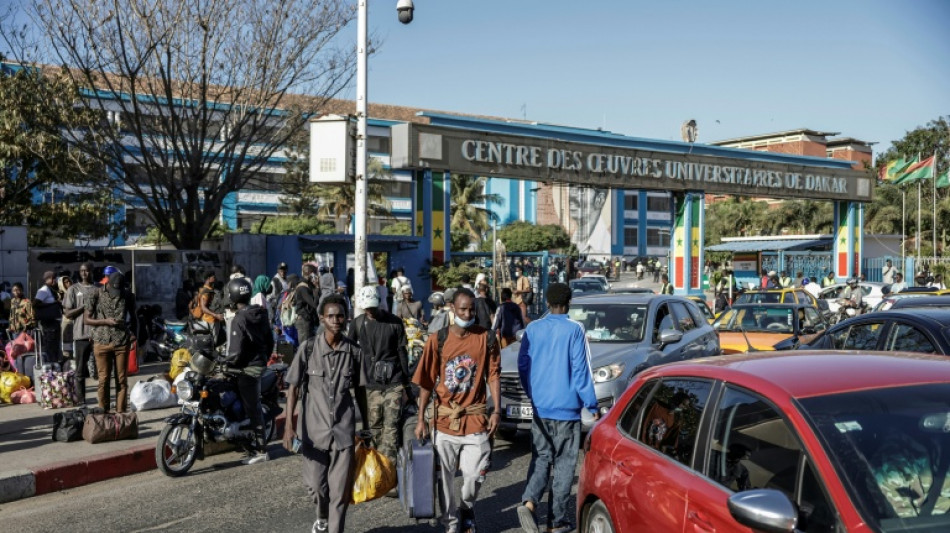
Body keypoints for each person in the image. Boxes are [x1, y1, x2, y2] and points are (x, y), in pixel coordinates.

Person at [413, 288, 501, 533]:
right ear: (452, 308)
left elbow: (493, 375)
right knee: (444, 481)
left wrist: (496, 411)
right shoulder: (437, 339)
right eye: (463, 309)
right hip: (444, 421)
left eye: (471, 309)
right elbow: (426, 383)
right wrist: (420, 419)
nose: (467, 313)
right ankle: (451, 525)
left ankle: (466, 506)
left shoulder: (487, 338)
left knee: (475, 474)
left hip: (475, 418)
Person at [516, 283, 599, 533]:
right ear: (569, 301)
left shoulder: (533, 328)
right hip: (566, 409)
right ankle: (557, 522)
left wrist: (534, 393)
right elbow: (580, 368)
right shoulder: (575, 329)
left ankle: (529, 502)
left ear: (547, 301)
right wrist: (591, 403)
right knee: (563, 465)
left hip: (541, 407)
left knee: (541, 457)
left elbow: (523, 364)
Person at [283, 294, 368, 533]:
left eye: (340, 315)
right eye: (331, 316)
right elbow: (293, 388)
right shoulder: (308, 348)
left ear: (346, 319)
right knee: (317, 488)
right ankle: (321, 516)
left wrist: (368, 426)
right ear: (322, 319)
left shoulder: (354, 352)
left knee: (339, 495)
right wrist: (289, 427)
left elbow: (360, 391)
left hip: (343, 434)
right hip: (313, 434)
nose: (336, 320)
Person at [349, 285, 409, 465]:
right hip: (371, 384)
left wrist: (407, 383)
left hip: (394, 382)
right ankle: (376, 467)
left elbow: (402, 353)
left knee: (391, 427)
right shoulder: (357, 323)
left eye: (373, 307)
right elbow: (349, 351)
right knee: (374, 427)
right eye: (367, 308)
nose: (370, 311)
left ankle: (387, 470)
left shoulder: (395, 323)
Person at [224, 277, 274, 465]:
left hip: (247, 369)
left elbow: (235, 351)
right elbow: (270, 341)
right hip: (260, 363)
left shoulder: (239, 318)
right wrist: (263, 358)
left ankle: (262, 450)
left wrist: (226, 362)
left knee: (252, 407)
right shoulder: (261, 313)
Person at [84, 272, 137, 413]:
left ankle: (120, 415)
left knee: (121, 380)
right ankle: (104, 413)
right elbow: (87, 319)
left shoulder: (128, 296)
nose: (116, 293)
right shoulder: (94, 294)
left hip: (121, 341)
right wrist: (105, 321)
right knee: (104, 379)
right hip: (101, 341)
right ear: (107, 283)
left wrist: (134, 335)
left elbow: (134, 318)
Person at [63, 263, 98, 402]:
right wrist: (84, 306)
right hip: (81, 334)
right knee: (80, 370)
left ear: (92, 271)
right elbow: (68, 313)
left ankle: (103, 399)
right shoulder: (73, 289)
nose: (84, 273)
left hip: (98, 335)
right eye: (82, 271)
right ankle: (81, 399)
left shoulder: (98, 289)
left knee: (102, 369)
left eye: (87, 270)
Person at [34, 270, 63, 364]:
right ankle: (50, 366)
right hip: (48, 324)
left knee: (54, 345)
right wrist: (53, 303)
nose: (56, 281)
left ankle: (55, 364)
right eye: (54, 278)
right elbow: (35, 304)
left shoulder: (51, 289)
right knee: (50, 345)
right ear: (50, 279)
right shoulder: (44, 290)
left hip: (54, 323)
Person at [294, 264, 320, 346]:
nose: (317, 275)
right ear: (310, 273)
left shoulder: (309, 285)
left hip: (308, 320)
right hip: (304, 321)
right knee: (305, 347)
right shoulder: (303, 287)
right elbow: (314, 303)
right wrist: (317, 288)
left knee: (310, 346)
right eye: (315, 273)